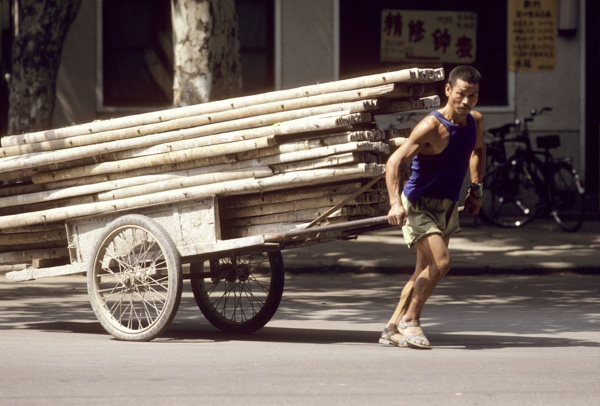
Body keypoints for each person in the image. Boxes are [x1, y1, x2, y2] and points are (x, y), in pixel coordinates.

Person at [379, 65, 485, 349]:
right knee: (442, 263)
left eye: (472, 96)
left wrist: (475, 189)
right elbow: (394, 162)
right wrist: (393, 203)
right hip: (418, 204)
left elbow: (478, 150)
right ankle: (411, 320)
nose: (466, 102)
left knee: (424, 270)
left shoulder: (475, 120)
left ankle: (391, 328)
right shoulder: (431, 126)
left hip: (447, 204)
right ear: (448, 90)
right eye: (461, 94)